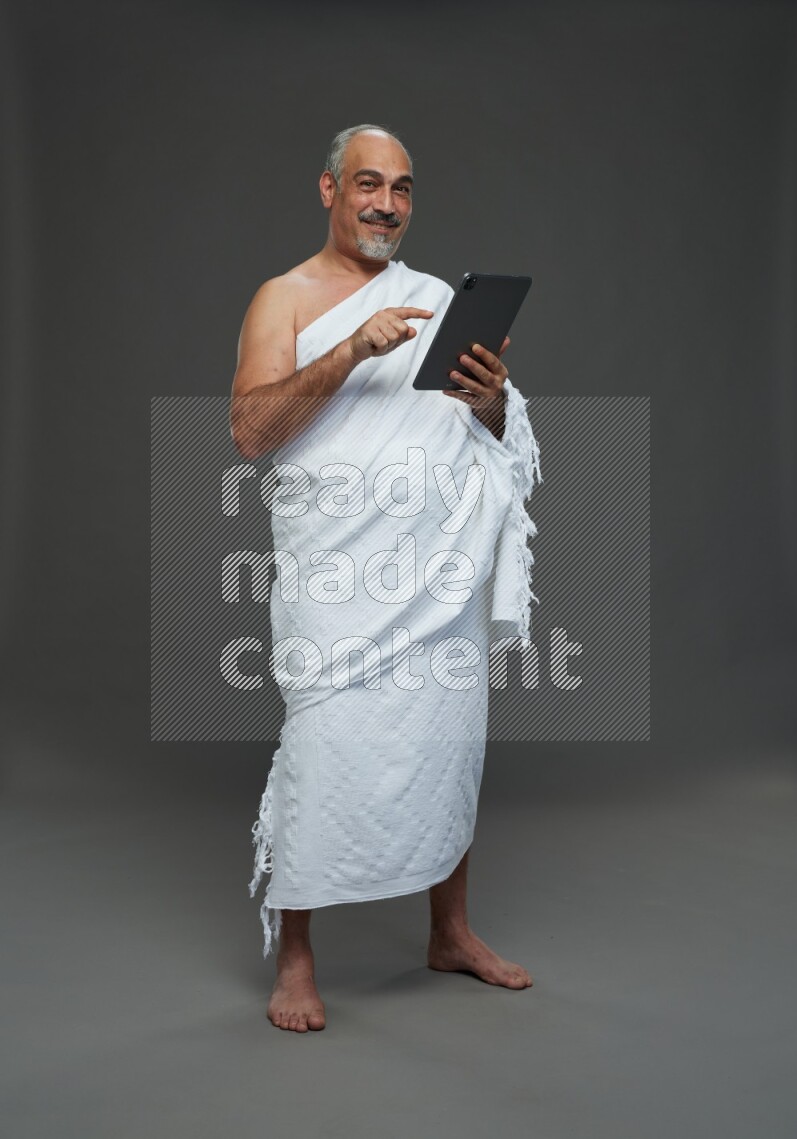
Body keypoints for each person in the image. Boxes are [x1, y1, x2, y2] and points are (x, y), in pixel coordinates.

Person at [229, 123, 542, 1032]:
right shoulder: (282, 299)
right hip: (338, 583)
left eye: (402, 189)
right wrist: (353, 351)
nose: (386, 205)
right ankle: (296, 954)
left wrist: (488, 402)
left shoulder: (439, 299)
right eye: (368, 184)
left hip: (433, 579)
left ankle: (451, 932)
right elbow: (251, 433)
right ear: (328, 190)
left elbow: (489, 437)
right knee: (322, 750)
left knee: (448, 739)